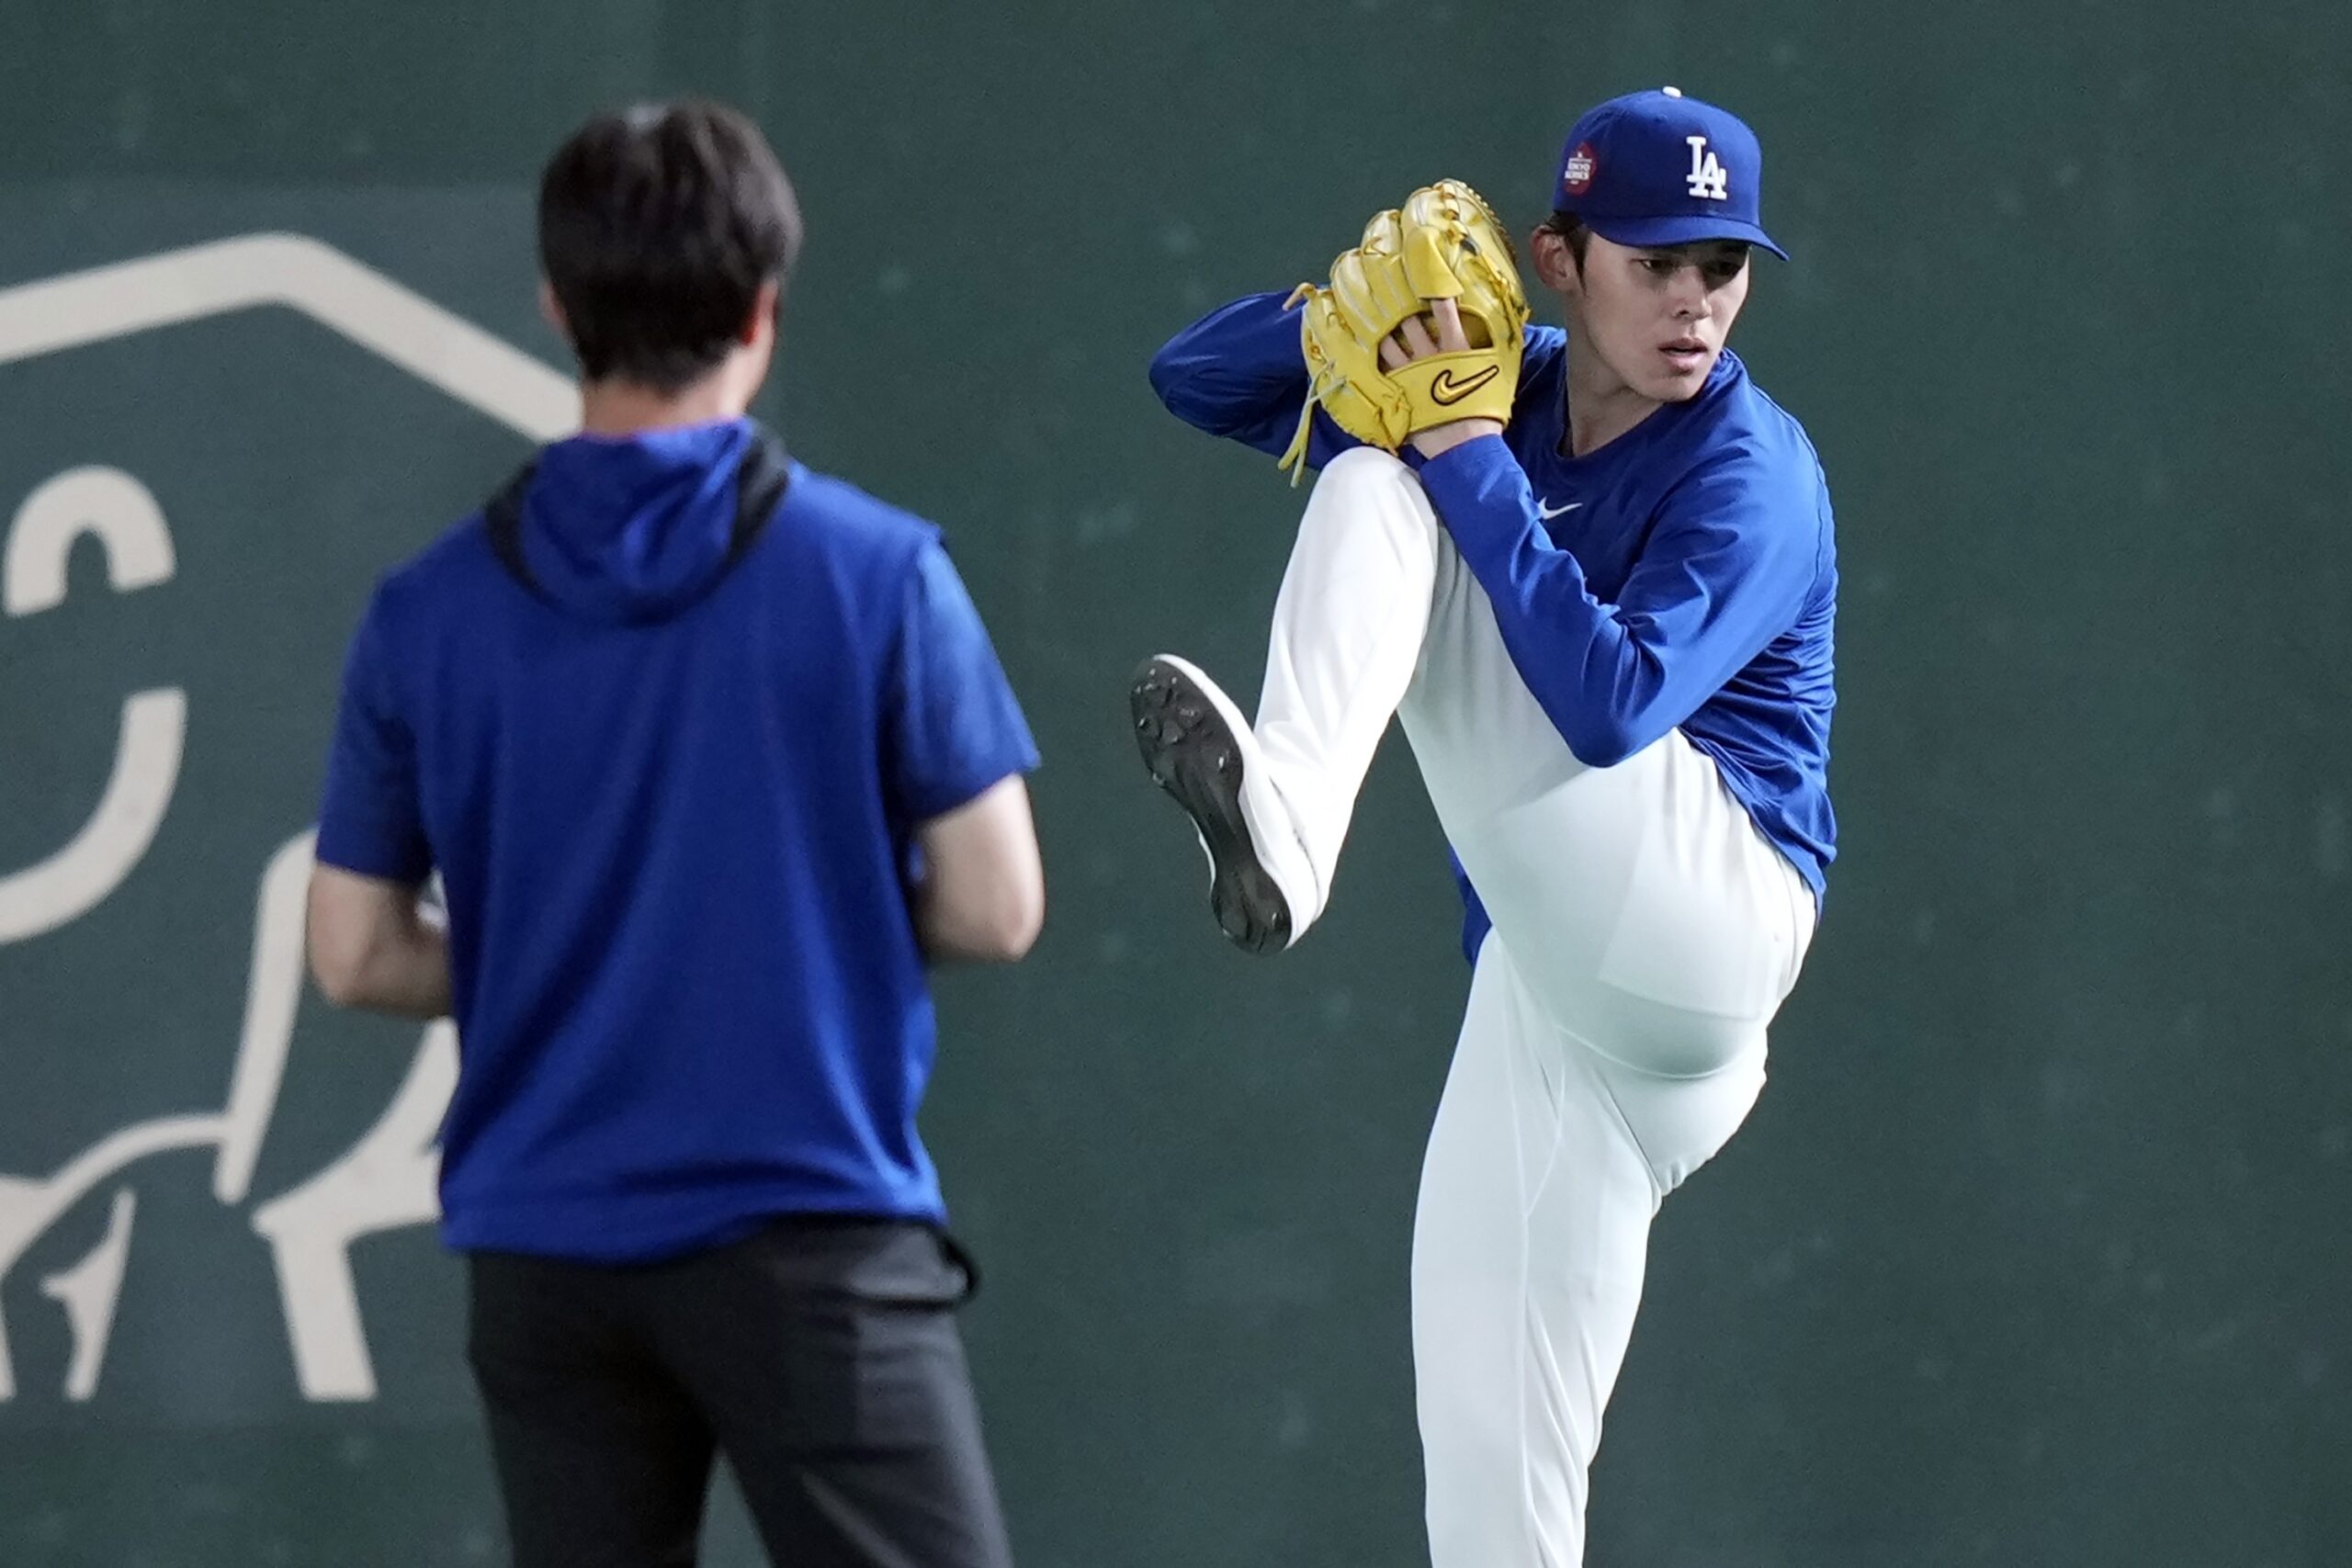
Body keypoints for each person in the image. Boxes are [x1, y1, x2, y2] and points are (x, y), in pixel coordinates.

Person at [305, 98, 1043, 1568]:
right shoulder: (883, 576)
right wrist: (776, 928)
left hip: (542, 1261)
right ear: (763, 312)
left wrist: (574, 960)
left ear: (557, 307)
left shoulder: (424, 613)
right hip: (813, 1244)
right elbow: (995, 903)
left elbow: (353, 952)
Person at [1131, 87, 1836, 1565]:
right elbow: (1189, 377)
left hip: (1708, 922)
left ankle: (1288, 831)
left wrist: (1456, 445)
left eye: (1726, 265)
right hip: (1555, 997)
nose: (1699, 302)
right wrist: (1352, 319)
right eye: (1659, 262)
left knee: (1391, 475)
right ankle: (1284, 827)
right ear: (1561, 262)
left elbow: (1607, 708)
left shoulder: (1751, 468)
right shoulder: (1494, 371)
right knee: (1491, 1497)